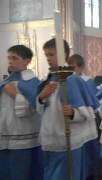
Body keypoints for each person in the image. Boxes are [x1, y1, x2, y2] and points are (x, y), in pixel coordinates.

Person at [37, 38, 99, 180]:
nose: (48, 59)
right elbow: (41, 110)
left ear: (64, 54)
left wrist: (73, 113)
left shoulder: (74, 80)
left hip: (69, 141)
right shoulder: (49, 79)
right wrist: (41, 98)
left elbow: (88, 112)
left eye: (52, 55)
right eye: (46, 55)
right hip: (50, 139)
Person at [0, 45, 42, 180]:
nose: (10, 61)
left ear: (27, 60)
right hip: (5, 136)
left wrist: (17, 95)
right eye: (9, 58)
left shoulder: (33, 83)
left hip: (24, 137)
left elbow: (35, 108)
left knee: (22, 173)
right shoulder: (6, 82)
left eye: (15, 58)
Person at [67, 54, 101, 179]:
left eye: (73, 67)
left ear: (81, 67)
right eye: (69, 66)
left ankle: (90, 172)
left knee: (89, 149)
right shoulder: (68, 80)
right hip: (75, 120)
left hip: (88, 119)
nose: (71, 70)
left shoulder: (88, 81)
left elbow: (92, 100)